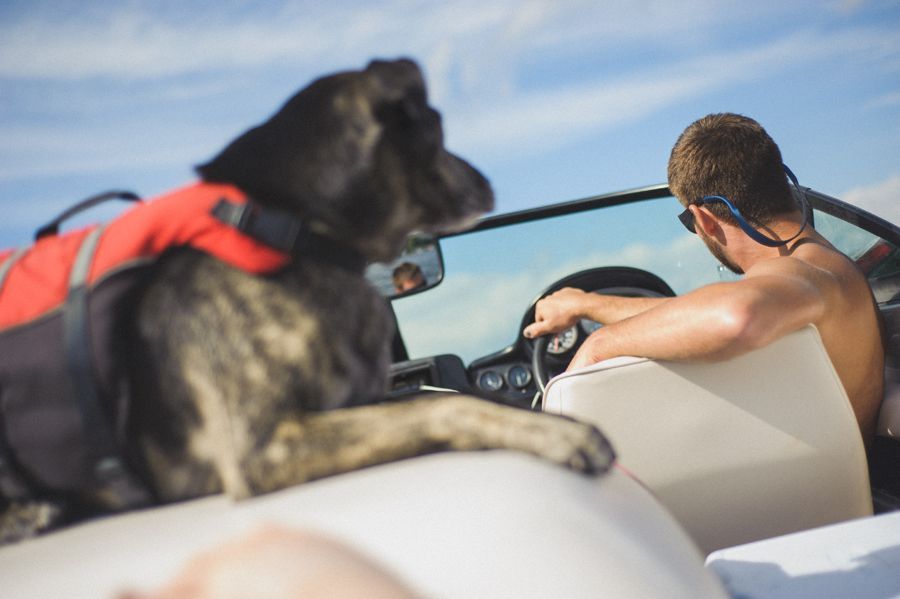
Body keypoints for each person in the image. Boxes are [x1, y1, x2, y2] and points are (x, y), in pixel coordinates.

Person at [524, 113, 884, 447]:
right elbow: (696, 313)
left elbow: (737, 315)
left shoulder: (806, 270)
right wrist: (588, 305)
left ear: (704, 220)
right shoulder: (815, 274)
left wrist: (599, 346)